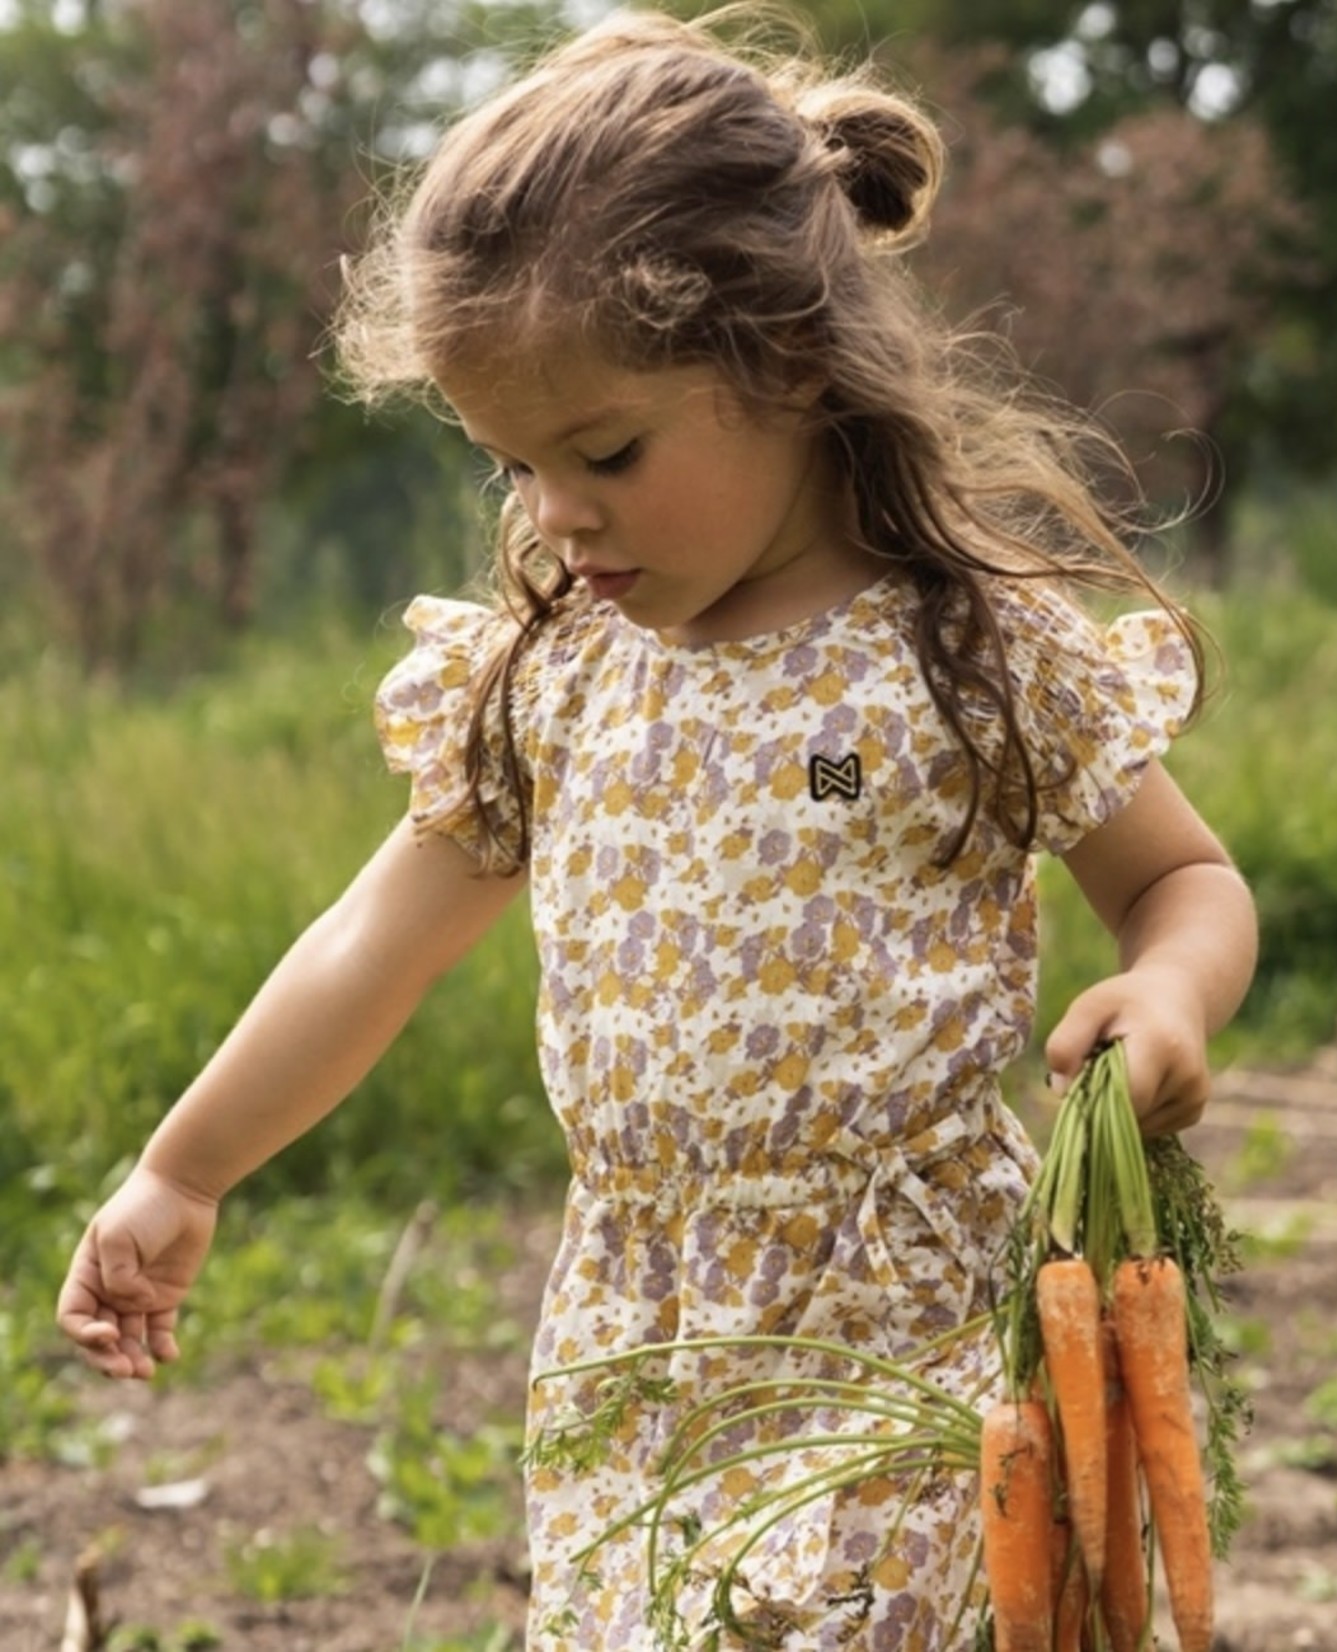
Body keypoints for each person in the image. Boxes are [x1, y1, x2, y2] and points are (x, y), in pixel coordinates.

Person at [58, 7, 1258, 1647]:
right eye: (513, 466)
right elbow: (370, 947)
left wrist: (1174, 993)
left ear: (789, 363)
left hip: (899, 1314)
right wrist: (182, 1171)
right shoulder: (557, 680)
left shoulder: (963, 651)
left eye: (603, 451)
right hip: (636, 1333)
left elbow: (1180, 878)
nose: (556, 512)